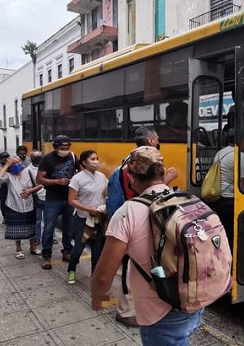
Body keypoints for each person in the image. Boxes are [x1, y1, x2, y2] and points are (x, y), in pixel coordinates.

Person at [92, 146, 202, 344]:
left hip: (159, 311)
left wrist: (97, 297)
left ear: (132, 177)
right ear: (162, 171)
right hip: (194, 299)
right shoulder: (185, 199)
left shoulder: (129, 211)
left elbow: (103, 275)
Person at [107, 125, 178, 327]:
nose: (158, 141)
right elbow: (141, 191)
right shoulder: (136, 164)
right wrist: (167, 179)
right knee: (133, 265)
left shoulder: (132, 159)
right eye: (156, 139)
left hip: (144, 218)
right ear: (150, 142)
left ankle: (142, 305)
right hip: (137, 220)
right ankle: (126, 310)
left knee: (144, 266)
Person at [66, 150, 108, 285]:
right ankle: (71, 270)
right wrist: (89, 209)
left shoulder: (101, 176)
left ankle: (94, 275)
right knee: (78, 248)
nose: (96, 161)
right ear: (84, 163)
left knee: (97, 250)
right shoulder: (77, 179)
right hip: (83, 219)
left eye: (97, 158)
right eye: (92, 159)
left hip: (98, 219)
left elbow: (106, 193)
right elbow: (72, 200)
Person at [37, 135, 77, 270]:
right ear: (55, 147)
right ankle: (46, 255)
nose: (65, 150)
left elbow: (78, 173)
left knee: (69, 228)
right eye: (62, 148)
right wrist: (57, 181)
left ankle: (67, 251)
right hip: (53, 199)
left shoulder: (72, 156)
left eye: (67, 148)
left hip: (69, 198)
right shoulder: (47, 159)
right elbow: (39, 179)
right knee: (49, 228)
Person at [209, 129, 244, 246]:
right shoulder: (241, 156)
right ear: (243, 140)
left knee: (224, 235)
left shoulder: (220, 152)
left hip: (218, 199)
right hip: (230, 202)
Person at [0, 157, 40, 258]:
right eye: (12, 164)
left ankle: (33, 247)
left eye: (16, 163)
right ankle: (18, 249)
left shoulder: (28, 173)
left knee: (31, 227)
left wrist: (30, 191)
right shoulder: (8, 175)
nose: (14, 166)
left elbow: (40, 185)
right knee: (16, 229)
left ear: (21, 163)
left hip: (29, 204)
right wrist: (6, 165)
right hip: (13, 205)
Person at [26, 150, 46, 255]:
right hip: (37, 198)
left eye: (39, 156)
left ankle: (50, 237)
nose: (38, 158)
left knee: (49, 219)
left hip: (48, 197)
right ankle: (37, 238)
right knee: (37, 220)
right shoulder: (28, 170)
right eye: (35, 156)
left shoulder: (46, 167)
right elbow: (28, 185)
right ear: (31, 158)